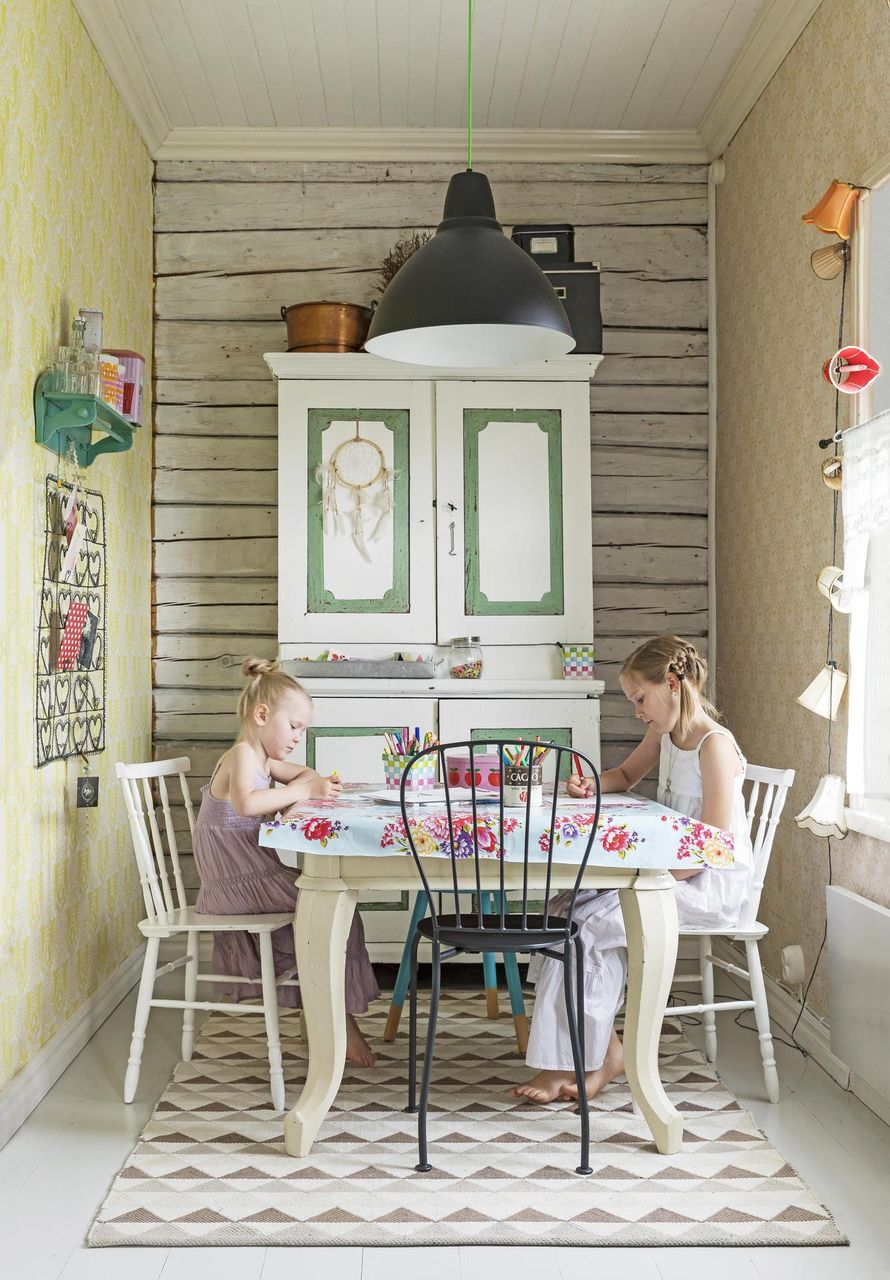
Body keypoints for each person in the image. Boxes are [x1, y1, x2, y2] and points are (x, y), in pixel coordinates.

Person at [512, 635, 752, 1103]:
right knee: (562, 910)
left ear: (672, 684)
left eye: (640, 699)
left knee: (586, 926)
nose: (637, 711)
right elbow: (624, 777)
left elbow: (712, 849)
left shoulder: (714, 745)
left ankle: (572, 1062)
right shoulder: (666, 734)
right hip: (669, 872)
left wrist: (643, 877)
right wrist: (588, 784)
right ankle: (602, 1052)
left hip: (704, 884)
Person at [193, 656, 379, 1066]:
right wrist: (302, 793)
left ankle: (324, 1013)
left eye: (303, 729)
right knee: (332, 910)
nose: (298, 737)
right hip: (237, 885)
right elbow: (247, 803)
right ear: (262, 715)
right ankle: (339, 1023)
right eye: (294, 726)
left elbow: (307, 774)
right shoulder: (242, 755)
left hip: (253, 877)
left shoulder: (263, 760)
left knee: (332, 911)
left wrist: (307, 786)